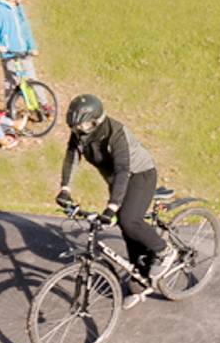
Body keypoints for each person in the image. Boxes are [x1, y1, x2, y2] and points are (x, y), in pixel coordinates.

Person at [55, 94, 175, 308]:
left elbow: (123, 171)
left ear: (95, 121)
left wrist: (112, 206)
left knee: (130, 220)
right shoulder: (79, 133)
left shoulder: (115, 133)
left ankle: (164, 250)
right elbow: (72, 158)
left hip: (140, 174)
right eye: (75, 126)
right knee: (125, 227)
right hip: (116, 178)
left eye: (81, 125)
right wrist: (65, 188)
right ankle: (140, 280)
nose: (77, 130)